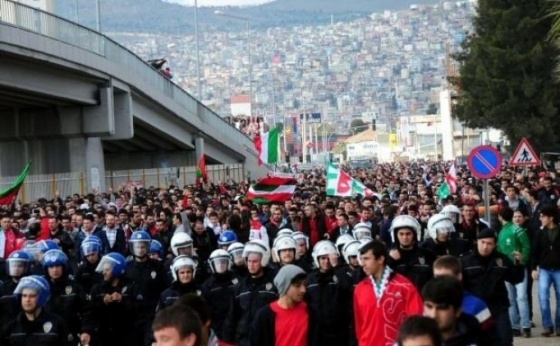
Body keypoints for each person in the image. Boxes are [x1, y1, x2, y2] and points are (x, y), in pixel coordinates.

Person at [460, 228, 524, 345]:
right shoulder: (465, 261)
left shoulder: (501, 260)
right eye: (482, 242)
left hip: (498, 307)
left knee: (505, 339)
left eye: (489, 243)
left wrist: (519, 265)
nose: (485, 247)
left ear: (494, 245)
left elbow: (516, 279)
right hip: (474, 309)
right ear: (477, 242)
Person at [354, 240, 423, 346]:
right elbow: (359, 326)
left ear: (381, 259)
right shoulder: (360, 289)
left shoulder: (404, 286)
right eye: (362, 259)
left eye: (367, 259)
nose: (363, 263)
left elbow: (417, 320)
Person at [222, 239, 278, 346]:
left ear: (263, 261)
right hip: (244, 340)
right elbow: (232, 317)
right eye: (249, 261)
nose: (251, 265)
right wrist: (227, 341)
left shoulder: (274, 285)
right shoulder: (240, 288)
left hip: (267, 339)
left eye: (255, 261)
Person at [251, 264, 320, 346]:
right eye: (297, 286)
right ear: (284, 286)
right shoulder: (264, 316)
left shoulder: (310, 312)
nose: (303, 290)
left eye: (305, 285)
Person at [0, 275, 72, 346]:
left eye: (32, 296)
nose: (27, 300)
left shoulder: (57, 324)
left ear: (42, 298)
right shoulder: (11, 327)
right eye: (24, 296)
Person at [306, 239, 353, 345]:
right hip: (318, 332)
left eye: (328, 258)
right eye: (323, 258)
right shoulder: (310, 279)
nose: (326, 262)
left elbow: (348, 288)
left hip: (340, 331)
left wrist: (336, 267)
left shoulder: (342, 275)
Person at [432, 255, 493, 331]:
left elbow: (490, 339)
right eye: (437, 277)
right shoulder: (430, 305)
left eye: (446, 277)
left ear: (459, 276)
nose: (440, 282)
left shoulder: (477, 306)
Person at [90, 252, 138, 346]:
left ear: (117, 270)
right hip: (103, 337)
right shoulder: (97, 288)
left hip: (125, 337)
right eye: (103, 270)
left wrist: (122, 300)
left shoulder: (131, 286)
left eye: (107, 270)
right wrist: (102, 302)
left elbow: (137, 310)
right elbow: (90, 311)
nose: (104, 273)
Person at [496, 207, 531, 337]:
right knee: (514, 298)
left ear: (500, 217)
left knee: (520, 297)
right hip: (508, 268)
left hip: (517, 268)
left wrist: (522, 259)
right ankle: (516, 326)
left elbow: (527, 247)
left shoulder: (517, 230)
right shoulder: (502, 231)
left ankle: (525, 325)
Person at [422, 276, 482, 345]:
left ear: (457, 311)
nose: (433, 315)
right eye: (429, 306)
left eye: (442, 308)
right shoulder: (413, 336)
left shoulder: (474, 333)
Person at [531, 205, 560, 337]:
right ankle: (547, 326)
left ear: (551, 217)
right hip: (544, 270)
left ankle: (559, 326)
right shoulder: (539, 233)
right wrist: (533, 268)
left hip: (559, 269)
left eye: (543, 216)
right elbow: (534, 252)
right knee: (543, 297)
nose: (540, 218)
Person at [201, 249, 238, 340]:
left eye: (223, 262)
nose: (221, 265)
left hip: (236, 324)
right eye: (218, 263)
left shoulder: (237, 280)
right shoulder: (207, 285)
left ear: (228, 263)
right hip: (216, 325)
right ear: (212, 265)